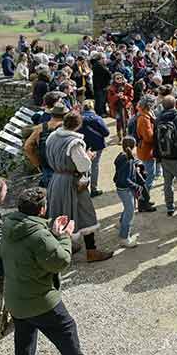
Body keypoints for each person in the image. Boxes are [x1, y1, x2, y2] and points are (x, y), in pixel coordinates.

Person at [1, 187, 108, 355]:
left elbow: (31, 252)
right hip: (40, 300)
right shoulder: (39, 236)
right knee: (67, 331)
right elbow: (61, 261)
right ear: (42, 210)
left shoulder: (9, 226)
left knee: (24, 340)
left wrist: (52, 233)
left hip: (15, 298)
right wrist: (64, 236)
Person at [45, 112, 112, 263]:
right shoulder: (74, 143)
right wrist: (89, 156)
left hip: (56, 180)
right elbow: (83, 165)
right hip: (73, 181)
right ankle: (91, 251)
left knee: (61, 212)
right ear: (78, 125)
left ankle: (65, 246)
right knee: (85, 214)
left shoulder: (52, 137)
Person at [155, 95, 177, 216]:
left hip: (164, 156)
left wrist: (157, 156)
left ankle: (169, 206)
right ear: (174, 105)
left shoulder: (158, 119)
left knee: (167, 183)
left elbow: (155, 139)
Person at [112, 136, 142, 248]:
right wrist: (136, 186)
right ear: (134, 147)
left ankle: (121, 224)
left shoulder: (121, 156)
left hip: (121, 189)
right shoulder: (127, 160)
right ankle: (124, 237)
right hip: (125, 189)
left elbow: (119, 176)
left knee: (127, 208)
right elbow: (125, 179)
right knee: (130, 212)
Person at [134, 95, 158, 212]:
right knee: (148, 177)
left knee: (147, 176)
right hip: (147, 150)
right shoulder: (144, 118)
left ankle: (145, 199)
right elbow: (148, 137)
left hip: (145, 150)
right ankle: (143, 201)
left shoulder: (144, 115)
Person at [80, 100, 109, 198]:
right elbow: (106, 132)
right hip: (97, 145)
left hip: (83, 145)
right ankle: (94, 188)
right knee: (94, 166)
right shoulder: (97, 118)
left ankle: (84, 188)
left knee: (83, 166)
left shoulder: (78, 119)